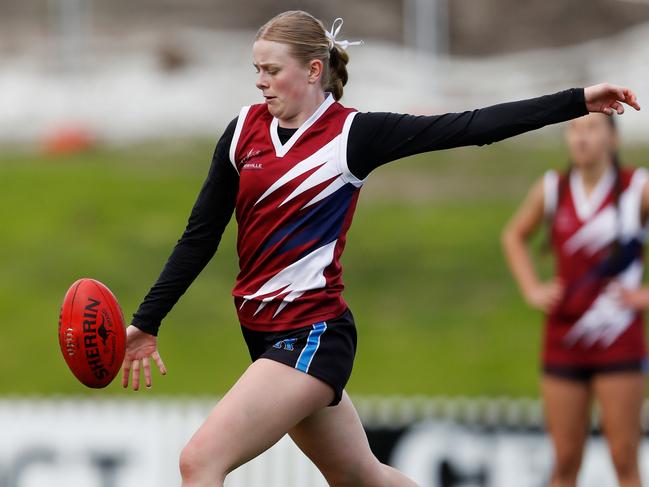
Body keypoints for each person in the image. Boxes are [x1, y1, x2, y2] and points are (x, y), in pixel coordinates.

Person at [121, 10, 641, 487]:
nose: (260, 81)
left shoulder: (352, 135)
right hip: (263, 335)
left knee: (199, 461)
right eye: (256, 69)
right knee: (364, 479)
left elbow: (471, 126)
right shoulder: (241, 133)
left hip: (311, 334)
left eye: (272, 69)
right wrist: (148, 320)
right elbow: (200, 236)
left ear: (312, 70)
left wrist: (575, 101)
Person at [502, 113, 648, 487]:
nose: (582, 138)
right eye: (575, 129)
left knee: (623, 458)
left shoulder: (636, 188)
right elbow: (513, 236)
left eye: (592, 129)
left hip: (620, 341)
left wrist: (644, 296)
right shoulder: (554, 188)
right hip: (564, 339)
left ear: (613, 139)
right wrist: (533, 289)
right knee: (565, 460)